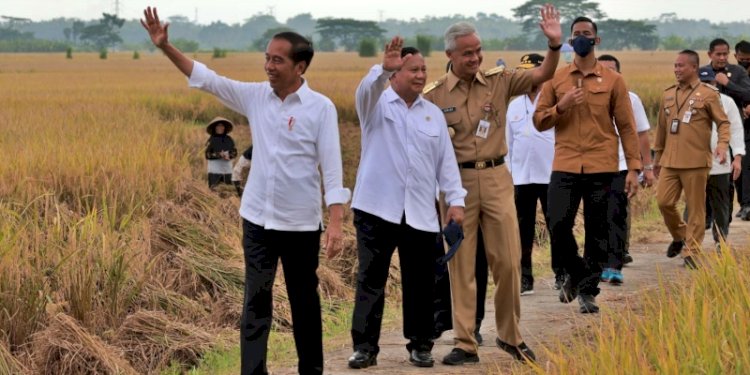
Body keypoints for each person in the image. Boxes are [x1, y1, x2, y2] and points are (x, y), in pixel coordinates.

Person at [142, 8, 351, 375]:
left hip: (301, 224)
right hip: (257, 220)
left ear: (300, 67)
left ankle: (311, 371)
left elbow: (332, 170)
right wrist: (166, 47)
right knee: (256, 300)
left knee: (304, 303)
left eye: (277, 60)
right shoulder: (255, 97)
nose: (269, 66)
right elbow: (208, 79)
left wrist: (335, 223)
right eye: (266, 58)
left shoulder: (320, 109)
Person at [423, 3, 562, 364]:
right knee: (462, 266)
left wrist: (553, 45)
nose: (475, 58)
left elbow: (543, 75)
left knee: (509, 262)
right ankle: (465, 342)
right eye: (467, 53)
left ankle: (510, 336)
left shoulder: (499, 81)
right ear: (450, 55)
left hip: (499, 178)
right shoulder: (434, 95)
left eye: (478, 51)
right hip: (456, 185)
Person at [348, 38, 466, 369]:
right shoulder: (376, 105)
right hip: (376, 209)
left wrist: (455, 201)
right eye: (412, 69)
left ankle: (421, 343)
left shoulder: (432, 115)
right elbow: (365, 91)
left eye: (423, 69)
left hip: (420, 210)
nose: (419, 75)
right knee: (371, 279)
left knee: (422, 280)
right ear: (396, 73)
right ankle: (365, 348)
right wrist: (382, 68)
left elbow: (446, 163)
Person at [534, 17, 642, 314]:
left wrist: (633, 168)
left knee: (598, 230)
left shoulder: (613, 81)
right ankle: (578, 273)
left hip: (601, 165)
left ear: (597, 40)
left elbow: (627, 127)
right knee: (558, 224)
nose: (581, 38)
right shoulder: (556, 79)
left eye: (587, 34)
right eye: (576, 34)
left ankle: (587, 291)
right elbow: (539, 121)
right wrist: (562, 106)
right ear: (569, 41)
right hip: (565, 164)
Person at [654, 50, 730, 269]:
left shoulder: (708, 94)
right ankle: (680, 235)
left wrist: (723, 145)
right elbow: (661, 128)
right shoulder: (668, 94)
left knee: (696, 207)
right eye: (675, 66)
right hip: (670, 160)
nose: (677, 69)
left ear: (694, 67)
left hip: (696, 161)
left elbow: (723, 123)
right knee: (664, 201)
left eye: (681, 66)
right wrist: (658, 157)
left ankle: (691, 251)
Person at [596, 54, 655, 284]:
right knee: (597, 215)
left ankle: (614, 263)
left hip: (621, 164)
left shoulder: (631, 99)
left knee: (617, 213)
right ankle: (599, 260)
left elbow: (641, 134)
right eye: (603, 69)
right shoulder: (587, 97)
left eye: (612, 70)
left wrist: (645, 167)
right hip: (594, 165)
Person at [505, 53, 561, 295]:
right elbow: (507, 143)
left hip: (551, 175)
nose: (527, 76)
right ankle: (525, 277)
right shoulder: (514, 105)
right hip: (521, 178)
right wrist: (509, 173)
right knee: (521, 229)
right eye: (523, 72)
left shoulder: (554, 100)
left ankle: (562, 272)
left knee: (557, 226)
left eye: (531, 70)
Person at [684, 67, 745, 250]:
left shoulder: (726, 103)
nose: (706, 86)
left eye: (709, 83)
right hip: (694, 164)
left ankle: (721, 240)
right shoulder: (686, 102)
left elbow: (735, 130)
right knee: (693, 205)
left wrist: (738, 157)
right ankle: (690, 243)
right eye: (702, 83)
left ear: (715, 83)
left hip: (720, 164)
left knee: (721, 205)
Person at [702, 39, 750, 220]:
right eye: (718, 54)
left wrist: (728, 84)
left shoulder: (737, 72)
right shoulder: (702, 73)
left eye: (725, 54)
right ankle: (708, 213)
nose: (722, 58)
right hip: (708, 133)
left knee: (737, 171)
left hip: (735, 130)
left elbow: (748, 93)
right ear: (710, 55)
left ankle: (738, 207)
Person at [205, 117, 238, 190]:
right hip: (214, 172)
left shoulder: (229, 139)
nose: (220, 127)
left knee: (227, 191)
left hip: (227, 170)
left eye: (222, 126)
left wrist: (229, 155)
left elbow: (235, 152)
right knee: (214, 192)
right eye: (218, 125)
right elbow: (207, 155)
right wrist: (219, 155)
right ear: (215, 128)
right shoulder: (211, 140)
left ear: (224, 128)